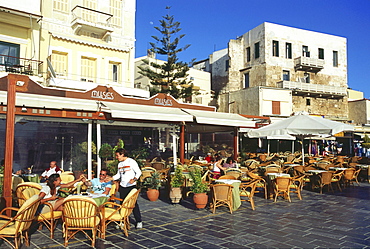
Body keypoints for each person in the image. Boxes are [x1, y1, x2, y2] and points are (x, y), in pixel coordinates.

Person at [107, 148, 143, 229]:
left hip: (131, 186)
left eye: (117, 155)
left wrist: (134, 179)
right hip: (123, 186)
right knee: (122, 204)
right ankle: (122, 221)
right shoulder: (120, 164)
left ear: (122, 154)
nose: (116, 157)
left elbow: (139, 172)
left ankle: (139, 221)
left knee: (133, 204)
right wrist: (111, 178)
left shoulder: (131, 162)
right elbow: (118, 175)